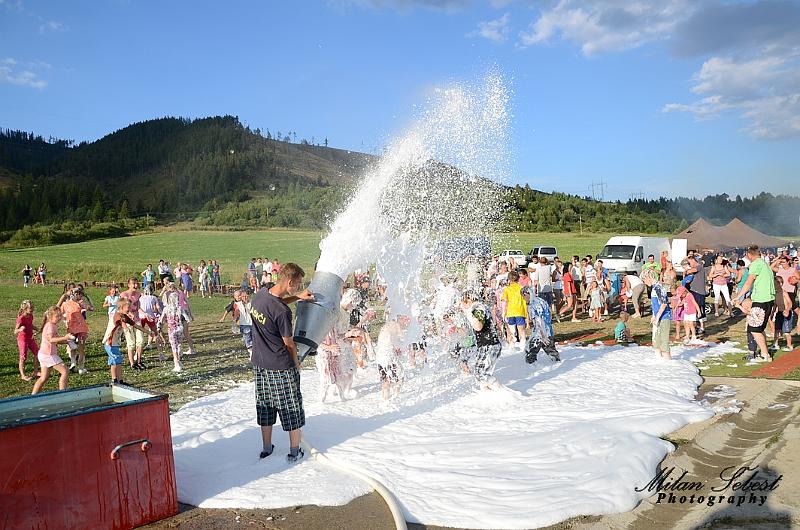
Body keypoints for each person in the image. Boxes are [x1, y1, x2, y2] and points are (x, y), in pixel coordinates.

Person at [249, 263, 312, 462]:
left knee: (265, 405)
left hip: (260, 363)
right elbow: (289, 343)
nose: (299, 286)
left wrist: (298, 296)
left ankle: (266, 448)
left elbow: (277, 303)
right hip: (280, 367)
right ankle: (294, 451)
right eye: (298, 284)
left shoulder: (260, 295)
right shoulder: (283, 312)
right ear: (290, 281)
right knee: (291, 407)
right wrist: (296, 362)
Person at [734, 245, 775, 363]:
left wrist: (738, 296)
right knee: (759, 328)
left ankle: (765, 355)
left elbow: (748, 282)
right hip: (768, 299)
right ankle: (764, 352)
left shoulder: (756, 264)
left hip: (761, 300)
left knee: (754, 329)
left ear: (749, 255)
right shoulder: (765, 264)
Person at [316, 292, 359, 402]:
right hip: (324, 355)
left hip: (335, 354)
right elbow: (316, 342)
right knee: (325, 380)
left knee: (338, 377)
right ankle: (321, 403)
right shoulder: (321, 324)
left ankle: (342, 399)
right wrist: (329, 347)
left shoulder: (333, 325)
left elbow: (339, 335)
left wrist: (349, 335)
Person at [460, 289, 503, 388]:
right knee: (481, 375)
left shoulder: (478, 308)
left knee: (481, 374)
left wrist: (468, 313)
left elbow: (478, 327)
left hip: (489, 345)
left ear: (469, 300)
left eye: (462, 302)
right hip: (488, 345)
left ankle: (503, 392)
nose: (461, 305)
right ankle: (488, 394)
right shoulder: (480, 307)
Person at [102, 298, 146, 383]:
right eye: (128, 307)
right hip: (109, 342)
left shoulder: (124, 316)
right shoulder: (117, 315)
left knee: (116, 361)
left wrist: (148, 332)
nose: (129, 309)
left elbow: (136, 325)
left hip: (115, 343)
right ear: (121, 307)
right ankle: (116, 380)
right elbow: (120, 322)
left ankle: (119, 380)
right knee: (115, 360)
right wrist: (125, 328)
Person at [32, 306, 72, 394]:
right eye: (57, 316)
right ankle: (63, 394)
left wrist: (67, 341)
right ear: (50, 317)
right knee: (65, 371)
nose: (59, 318)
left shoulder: (52, 325)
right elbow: (51, 339)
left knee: (43, 378)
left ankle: (33, 395)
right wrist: (65, 337)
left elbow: (56, 340)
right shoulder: (50, 326)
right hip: (49, 355)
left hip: (43, 354)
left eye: (60, 316)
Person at [522, 287, 559, 363]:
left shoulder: (533, 304)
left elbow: (539, 320)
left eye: (523, 296)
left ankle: (532, 368)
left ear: (526, 294)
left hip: (540, 333)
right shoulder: (540, 300)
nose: (523, 298)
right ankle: (558, 364)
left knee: (530, 352)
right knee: (551, 352)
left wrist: (543, 335)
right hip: (548, 331)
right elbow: (549, 315)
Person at [376, 315, 409, 400]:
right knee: (400, 376)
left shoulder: (388, 325)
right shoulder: (396, 326)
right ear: (401, 319)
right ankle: (396, 397)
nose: (407, 323)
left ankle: (385, 398)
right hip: (388, 355)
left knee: (386, 379)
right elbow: (403, 341)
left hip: (380, 356)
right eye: (406, 320)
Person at [60, 286, 92, 374]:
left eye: (80, 294)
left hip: (78, 328)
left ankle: (77, 365)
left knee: (77, 348)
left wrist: (87, 298)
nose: (79, 295)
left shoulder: (78, 303)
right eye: (77, 294)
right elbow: (58, 312)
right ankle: (77, 365)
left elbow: (91, 308)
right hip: (75, 328)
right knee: (76, 348)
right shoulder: (67, 304)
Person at [642, 269, 672, 360]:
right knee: (656, 341)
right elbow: (655, 304)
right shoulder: (654, 288)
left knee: (664, 341)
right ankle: (659, 360)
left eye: (644, 280)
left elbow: (663, 304)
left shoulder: (658, 288)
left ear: (649, 277)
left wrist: (657, 317)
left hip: (664, 317)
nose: (644, 282)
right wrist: (654, 316)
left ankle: (668, 361)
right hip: (658, 317)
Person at [120, 278, 145, 370]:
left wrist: (145, 313)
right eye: (133, 284)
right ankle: (132, 363)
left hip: (137, 319)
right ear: (129, 285)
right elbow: (123, 308)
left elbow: (138, 307)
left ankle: (139, 361)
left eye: (136, 283)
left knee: (140, 341)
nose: (135, 285)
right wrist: (130, 314)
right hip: (127, 320)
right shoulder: (124, 294)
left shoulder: (138, 294)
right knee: (131, 343)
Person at [159, 290, 186, 372]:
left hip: (171, 330)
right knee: (179, 345)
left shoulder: (166, 309)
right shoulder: (180, 308)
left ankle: (176, 363)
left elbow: (161, 320)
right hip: (180, 328)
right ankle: (178, 361)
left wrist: (159, 326)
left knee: (174, 346)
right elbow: (187, 318)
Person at [501, 270, 528, 350]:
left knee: (511, 332)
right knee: (521, 330)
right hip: (520, 311)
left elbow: (505, 301)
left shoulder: (507, 289)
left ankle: (512, 346)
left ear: (509, 280)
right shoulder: (521, 288)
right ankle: (523, 346)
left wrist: (504, 313)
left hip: (510, 312)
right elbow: (527, 299)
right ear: (518, 279)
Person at [15, 300, 40, 381]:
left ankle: (35, 372)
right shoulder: (21, 318)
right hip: (23, 340)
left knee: (37, 353)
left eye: (33, 307)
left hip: (30, 338)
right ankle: (23, 375)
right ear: (25, 309)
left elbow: (30, 325)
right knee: (23, 357)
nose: (33, 309)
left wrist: (37, 328)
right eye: (31, 308)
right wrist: (20, 329)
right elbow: (15, 331)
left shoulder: (31, 316)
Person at [684, 255, 709, 335]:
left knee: (700, 309)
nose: (689, 264)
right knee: (694, 309)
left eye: (690, 262)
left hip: (699, 292)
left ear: (694, 260)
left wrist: (687, 270)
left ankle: (702, 327)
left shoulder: (699, 266)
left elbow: (691, 271)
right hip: (693, 291)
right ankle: (697, 326)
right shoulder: (694, 268)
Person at [773, 276, 794, 352]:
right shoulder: (775, 293)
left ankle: (789, 345)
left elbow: (790, 303)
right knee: (777, 329)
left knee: (786, 331)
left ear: (781, 284)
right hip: (779, 313)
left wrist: (787, 310)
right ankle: (775, 344)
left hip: (786, 312)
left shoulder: (784, 292)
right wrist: (772, 313)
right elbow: (775, 304)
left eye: (776, 283)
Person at [236, 291, 254, 356]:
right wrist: (235, 321)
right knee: (248, 339)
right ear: (241, 297)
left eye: (246, 296)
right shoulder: (238, 304)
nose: (245, 297)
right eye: (243, 296)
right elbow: (236, 313)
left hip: (253, 324)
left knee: (254, 339)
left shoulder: (252, 303)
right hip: (244, 325)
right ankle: (251, 353)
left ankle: (254, 352)